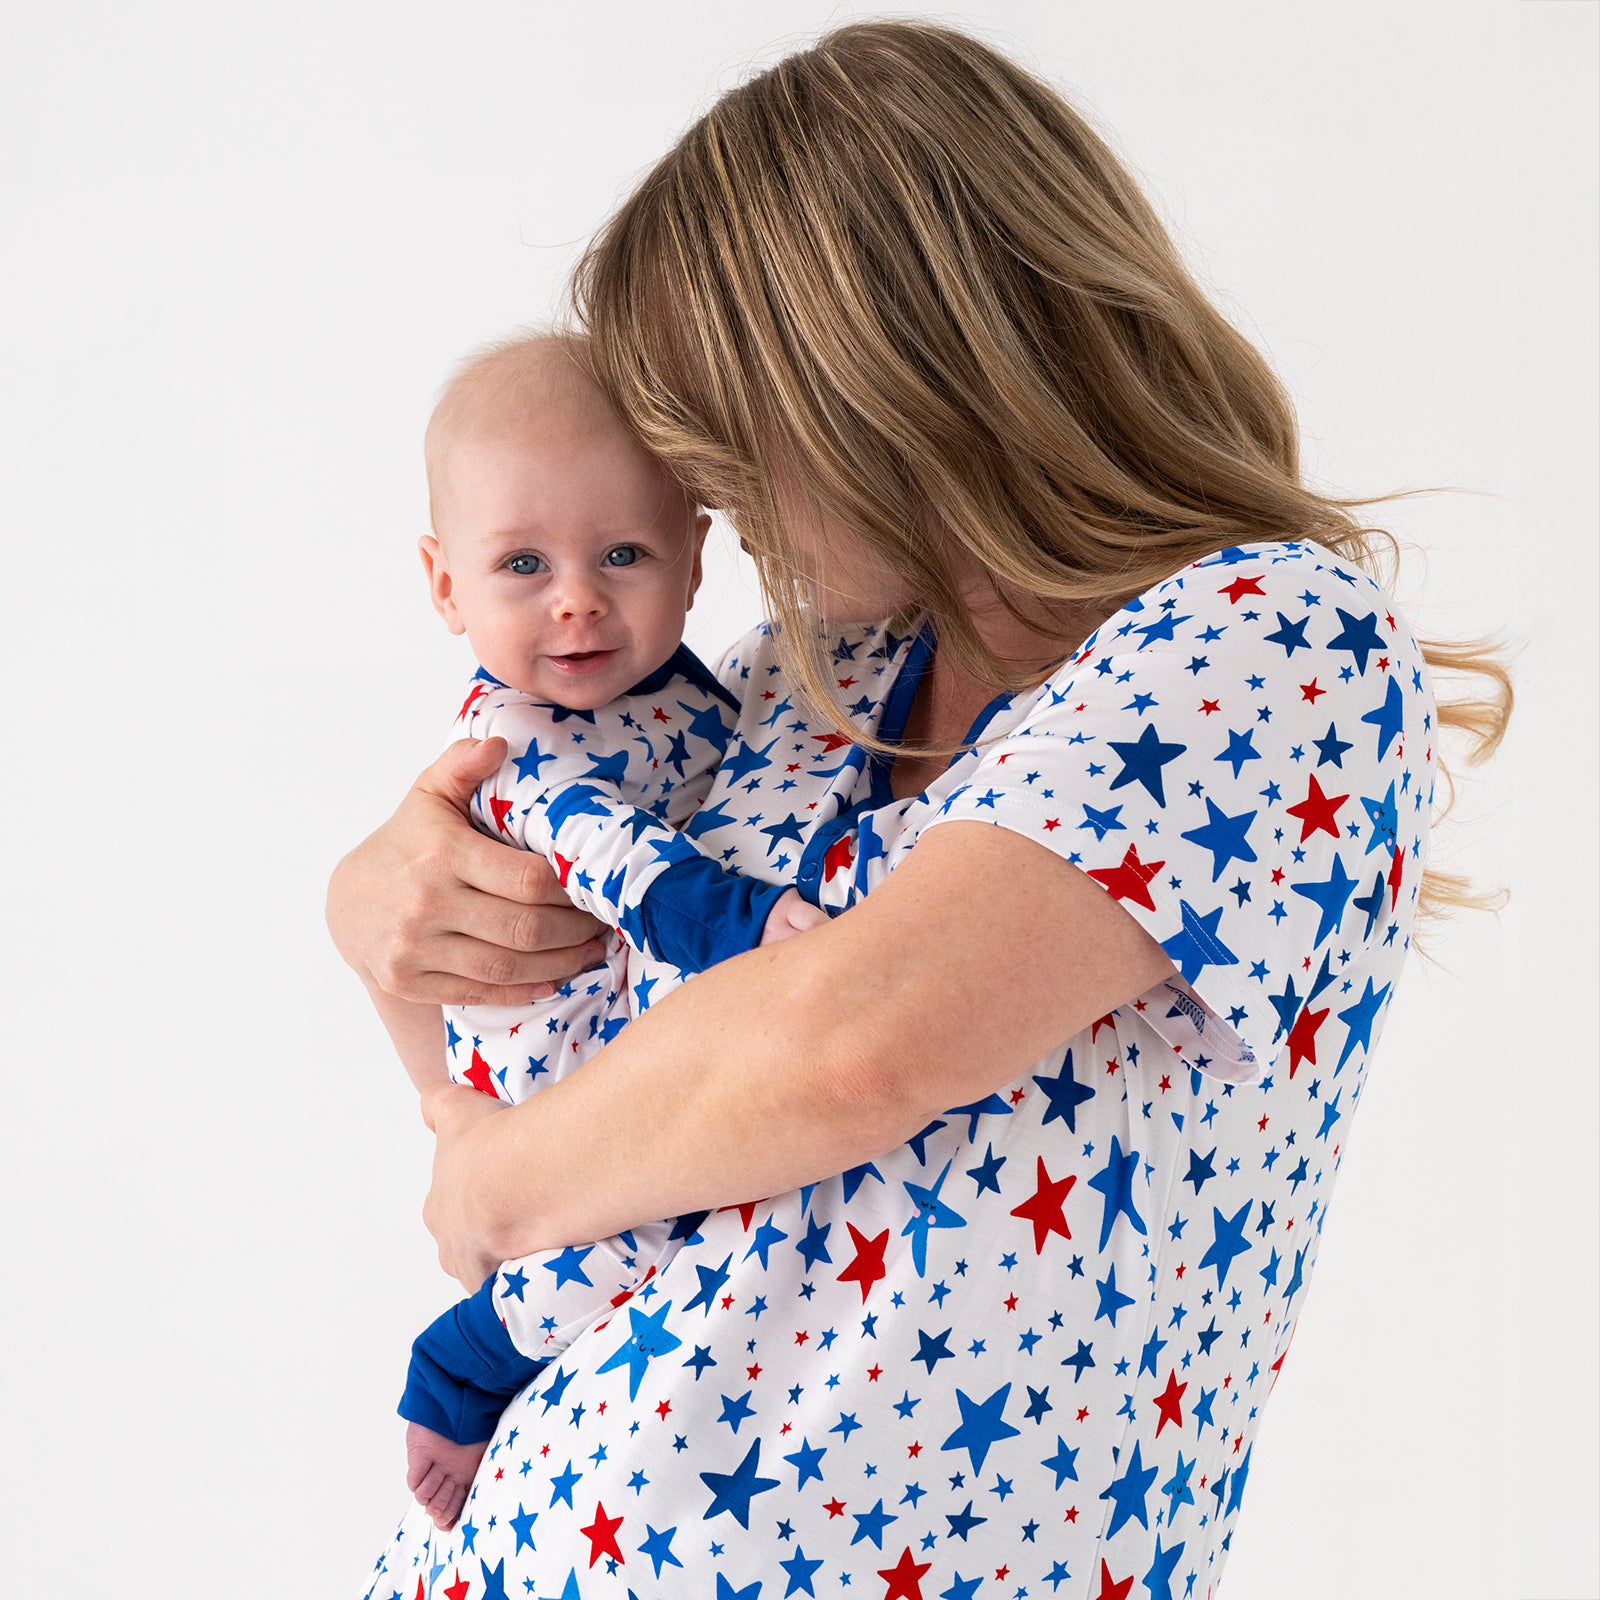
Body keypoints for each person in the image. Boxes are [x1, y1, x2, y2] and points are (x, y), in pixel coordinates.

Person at [329, 21, 1509, 1599]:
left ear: (881, 382)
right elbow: (530, 891)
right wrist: (372, 905)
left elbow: (842, 1049)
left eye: (724, 430)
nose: (703, 488)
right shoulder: (812, 673)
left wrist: (494, 1182)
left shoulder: (1271, 637)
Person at [387, 331, 871, 1531]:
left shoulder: (703, 690)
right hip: (546, 1056)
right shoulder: (508, 739)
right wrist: (749, 926)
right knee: (632, 1219)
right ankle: (464, 1357)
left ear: (694, 559)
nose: (577, 598)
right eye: (522, 563)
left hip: (636, 1020)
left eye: (622, 554)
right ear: (444, 586)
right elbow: (622, 859)